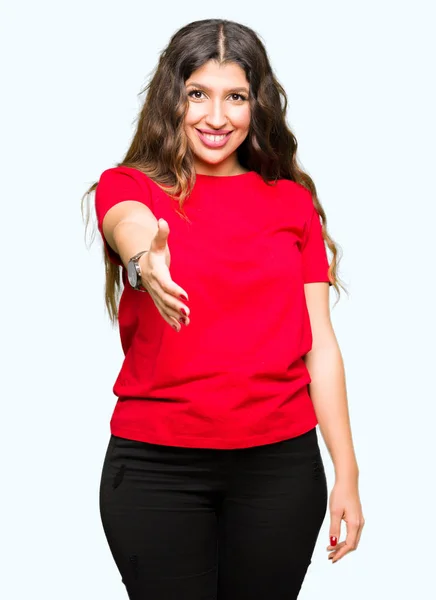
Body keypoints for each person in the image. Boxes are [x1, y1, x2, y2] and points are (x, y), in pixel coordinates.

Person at [82, 18, 365, 600]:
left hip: (279, 472)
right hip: (156, 470)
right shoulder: (131, 186)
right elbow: (127, 223)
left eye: (235, 96)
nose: (216, 117)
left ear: (256, 104)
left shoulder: (291, 203)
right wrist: (144, 262)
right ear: (173, 100)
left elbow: (321, 345)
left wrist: (348, 473)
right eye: (197, 95)